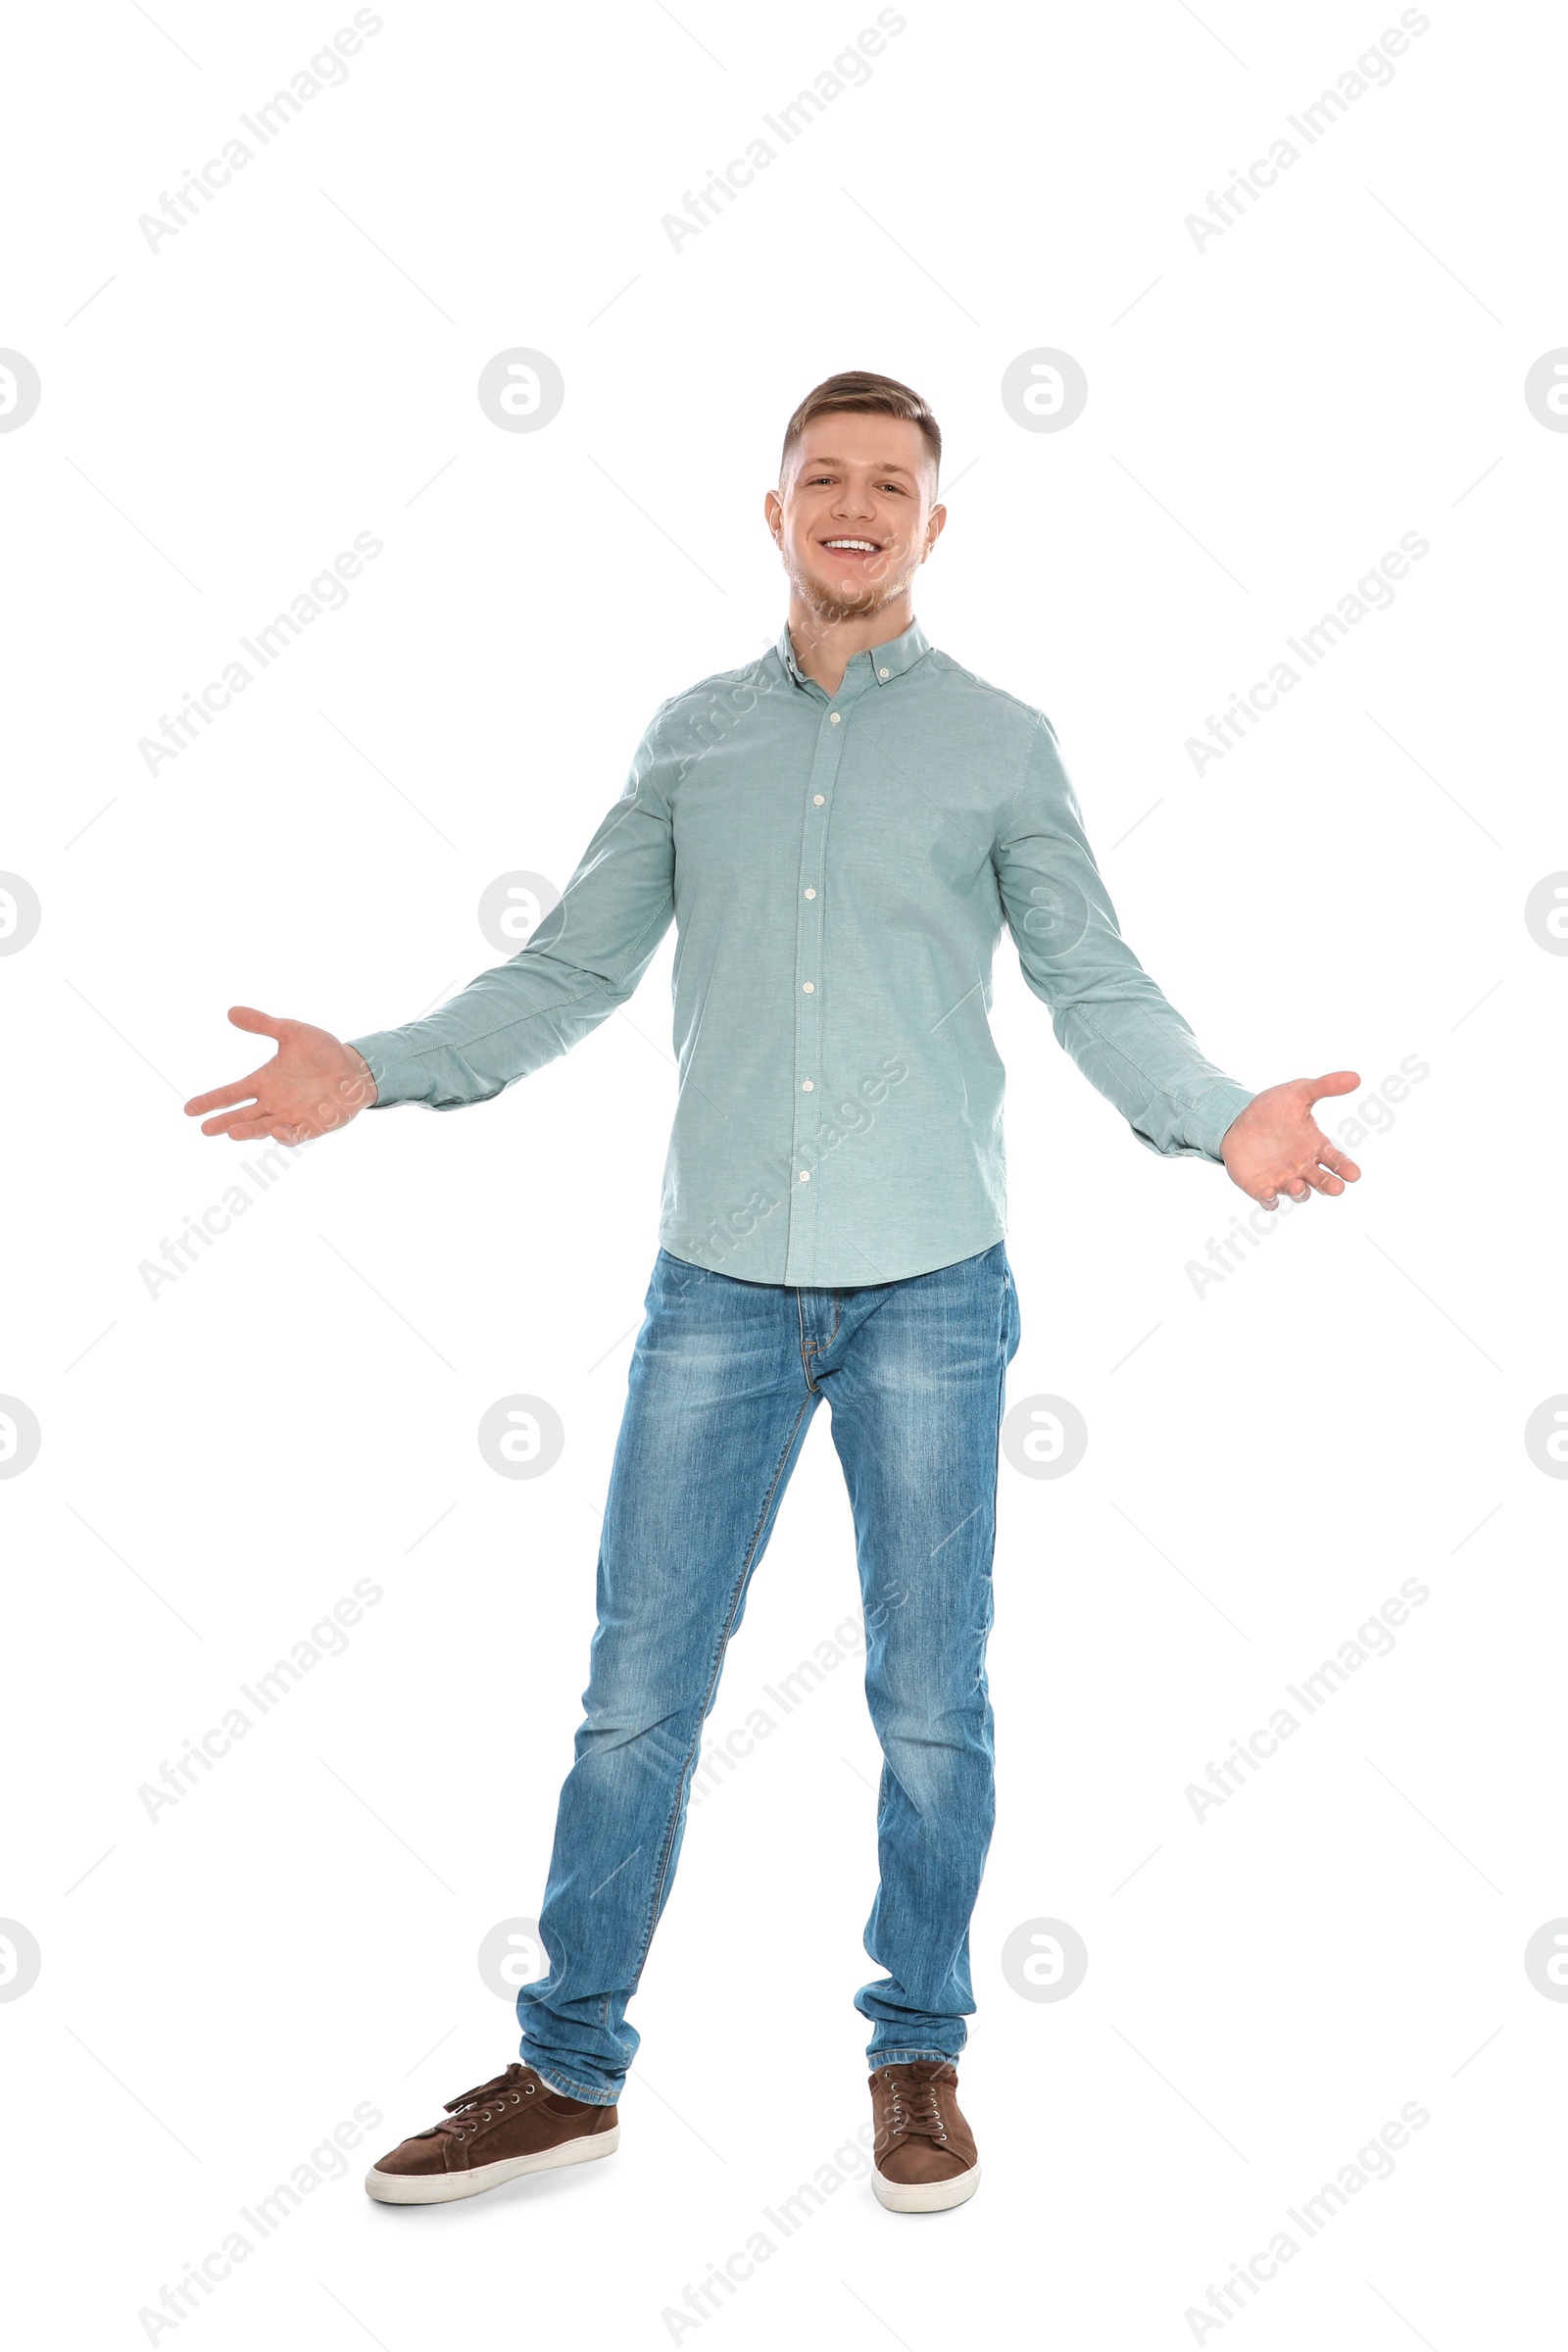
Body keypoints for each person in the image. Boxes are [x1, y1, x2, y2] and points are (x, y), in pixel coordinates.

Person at [186, 370, 1360, 2214]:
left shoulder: (1001, 743)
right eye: (828, 478)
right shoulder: (691, 740)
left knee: (928, 1703)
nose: (859, 507)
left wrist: (1220, 1120)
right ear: (778, 509)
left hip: (934, 1300)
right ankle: (571, 2070)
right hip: (716, 1296)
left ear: (934, 526)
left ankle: (918, 2056)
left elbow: (1094, 983)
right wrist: (384, 1065)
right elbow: (567, 972)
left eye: (894, 484)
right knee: (637, 1696)